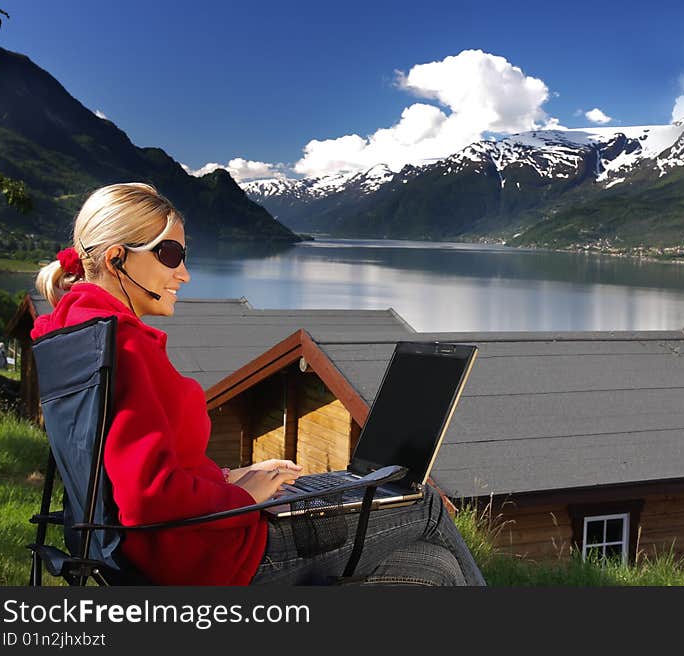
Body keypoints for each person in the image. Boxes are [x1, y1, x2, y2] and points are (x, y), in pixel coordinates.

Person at [31, 182, 486, 586]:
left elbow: (127, 473)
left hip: (176, 543)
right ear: (116, 258)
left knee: (430, 567)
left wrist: (229, 476)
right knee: (421, 502)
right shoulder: (124, 348)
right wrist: (242, 496)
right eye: (170, 255)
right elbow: (146, 496)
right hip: (212, 558)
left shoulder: (76, 331)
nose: (183, 274)